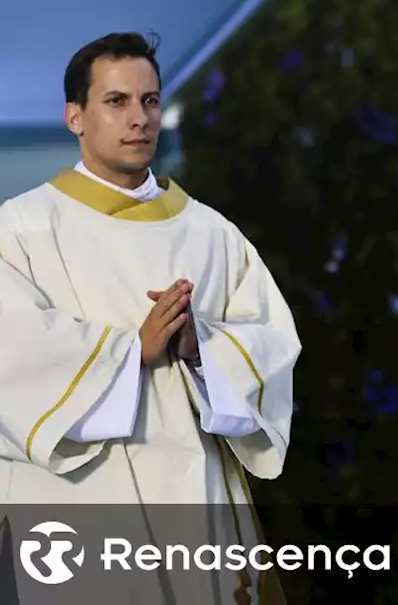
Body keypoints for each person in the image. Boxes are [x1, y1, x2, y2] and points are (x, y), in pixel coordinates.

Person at [0, 32, 300, 604]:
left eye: (151, 101)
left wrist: (201, 348)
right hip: (82, 504)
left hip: (198, 497)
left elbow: (272, 345)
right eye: (117, 102)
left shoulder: (213, 234)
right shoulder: (22, 229)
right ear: (75, 117)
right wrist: (128, 352)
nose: (139, 118)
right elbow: (9, 355)